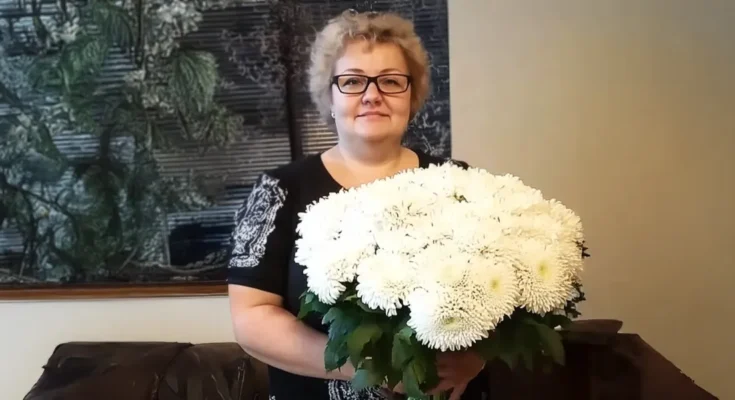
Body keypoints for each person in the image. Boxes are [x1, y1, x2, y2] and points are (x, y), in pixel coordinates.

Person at [227, 9, 488, 400]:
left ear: (412, 95)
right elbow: (251, 319)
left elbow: (502, 293)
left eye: (390, 81)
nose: (371, 95)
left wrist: (478, 356)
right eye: (352, 81)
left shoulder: (459, 183)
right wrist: (370, 369)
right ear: (329, 97)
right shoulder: (279, 191)